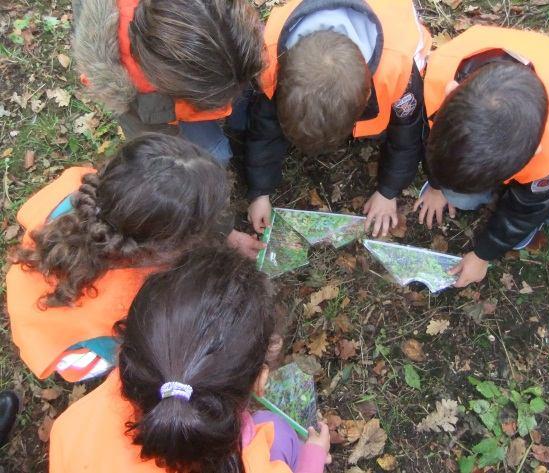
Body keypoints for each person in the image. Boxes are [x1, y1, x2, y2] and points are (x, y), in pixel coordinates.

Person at [49, 246, 331, 473]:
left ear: (127, 353)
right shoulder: (257, 462)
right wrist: (313, 458)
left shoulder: (72, 427)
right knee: (278, 430)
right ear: (261, 381)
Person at [6, 134, 261, 382]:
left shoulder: (82, 188)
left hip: (35, 293)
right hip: (71, 346)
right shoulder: (132, 302)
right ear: (166, 245)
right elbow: (137, 354)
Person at [414, 25, 549, 288]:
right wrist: (436, 186)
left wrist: (483, 255)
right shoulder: (442, 73)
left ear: (534, 154)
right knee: (459, 195)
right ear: (449, 93)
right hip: (522, 121)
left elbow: (529, 207)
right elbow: (434, 140)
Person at [245, 0, 431, 237]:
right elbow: (263, 129)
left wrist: (388, 192)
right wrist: (259, 192)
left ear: (366, 98)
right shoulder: (269, 60)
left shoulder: (398, 72)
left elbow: (407, 134)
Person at [72, 0, 264, 164]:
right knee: (213, 154)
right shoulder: (119, 76)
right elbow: (148, 135)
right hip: (154, 110)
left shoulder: (216, 19)